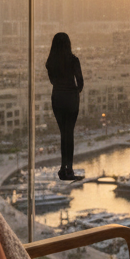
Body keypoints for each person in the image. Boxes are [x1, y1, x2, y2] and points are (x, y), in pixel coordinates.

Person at [46, 32, 84, 181]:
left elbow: (52, 81)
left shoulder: (51, 63)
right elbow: (80, 82)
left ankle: (63, 169)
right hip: (71, 99)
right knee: (69, 134)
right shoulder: (74, 60)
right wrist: (74, 91)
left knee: (63, 134)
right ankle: (69, 169)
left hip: (57, 98)